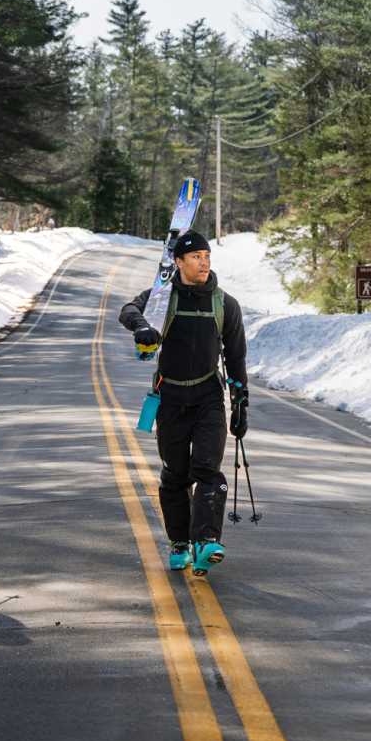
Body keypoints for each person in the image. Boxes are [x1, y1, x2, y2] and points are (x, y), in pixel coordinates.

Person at [120, 231, 248, 575]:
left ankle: (206, 541)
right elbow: (128, 309)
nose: (203, 261)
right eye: (195, 257)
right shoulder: (163, 298)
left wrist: (240, 401)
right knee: (175, 475)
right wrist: (142, 328)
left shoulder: (224, 304)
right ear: (178, 262)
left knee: (207, 469)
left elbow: (236, 356)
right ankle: (180, 543)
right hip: (171, 397)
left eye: (206, 255)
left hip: (208, 396)